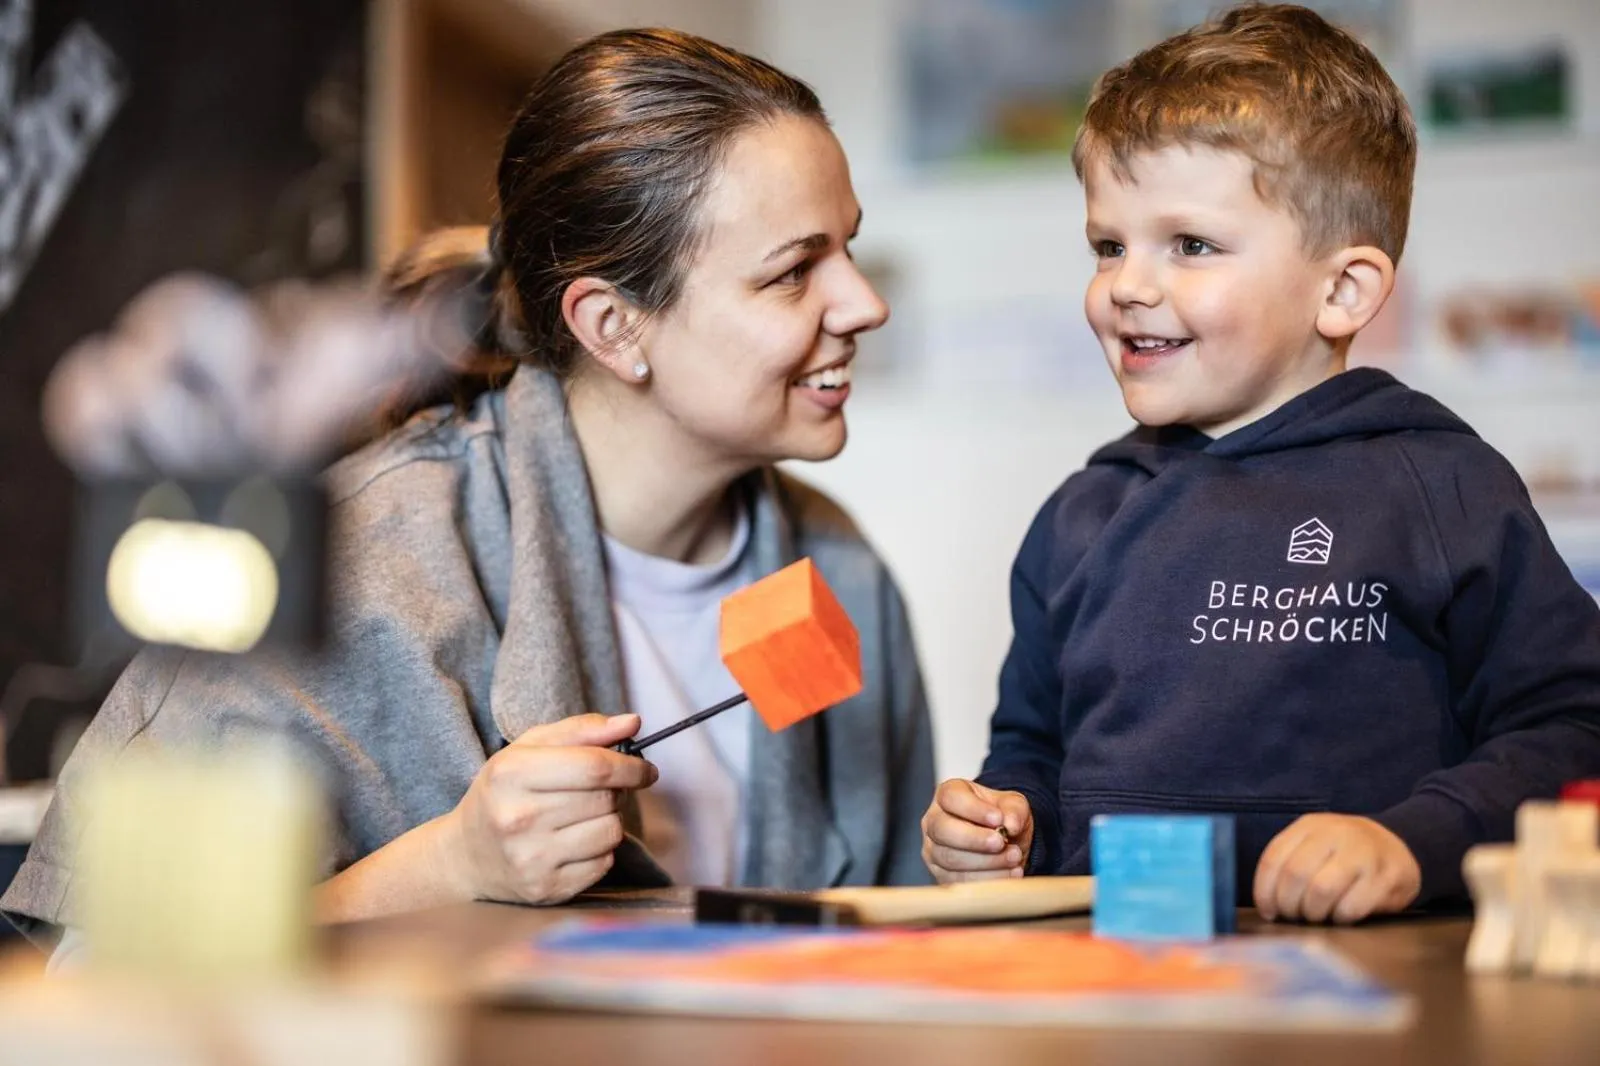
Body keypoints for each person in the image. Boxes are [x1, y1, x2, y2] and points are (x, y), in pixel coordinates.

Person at [3, 27, 935, 950]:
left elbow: (902, 955)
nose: (865, 303)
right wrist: (449, 867)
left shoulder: (843, 572)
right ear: (612, 326)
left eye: (848, 250)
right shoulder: (351, 564)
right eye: (794, 272)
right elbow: (101, 971)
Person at [920, 3, 1600, 924]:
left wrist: (1411, 840)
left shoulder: (1444, 488)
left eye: (1190, 245)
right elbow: (1033, 756)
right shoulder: (1078, 517)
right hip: (1106, 978)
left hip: (1376, 982)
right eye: (1108, 245)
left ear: (1342, 289)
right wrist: (999, 828)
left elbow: (1572, 729)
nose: (1128, 284)